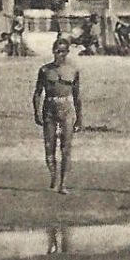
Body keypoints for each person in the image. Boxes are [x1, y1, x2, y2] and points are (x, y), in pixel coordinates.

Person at [32, 37, 83, 194]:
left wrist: (80, 118)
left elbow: (77, 95)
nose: (58, 55)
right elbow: (37, 93)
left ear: (67, 52)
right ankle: (54, 175)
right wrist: (37, 112)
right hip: (49, 109)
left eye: (62, 52)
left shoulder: (73, 70)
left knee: (66, 148)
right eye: (56, 51)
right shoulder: (45, 70)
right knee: (49, 148)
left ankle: (63, 183)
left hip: (66, 109)